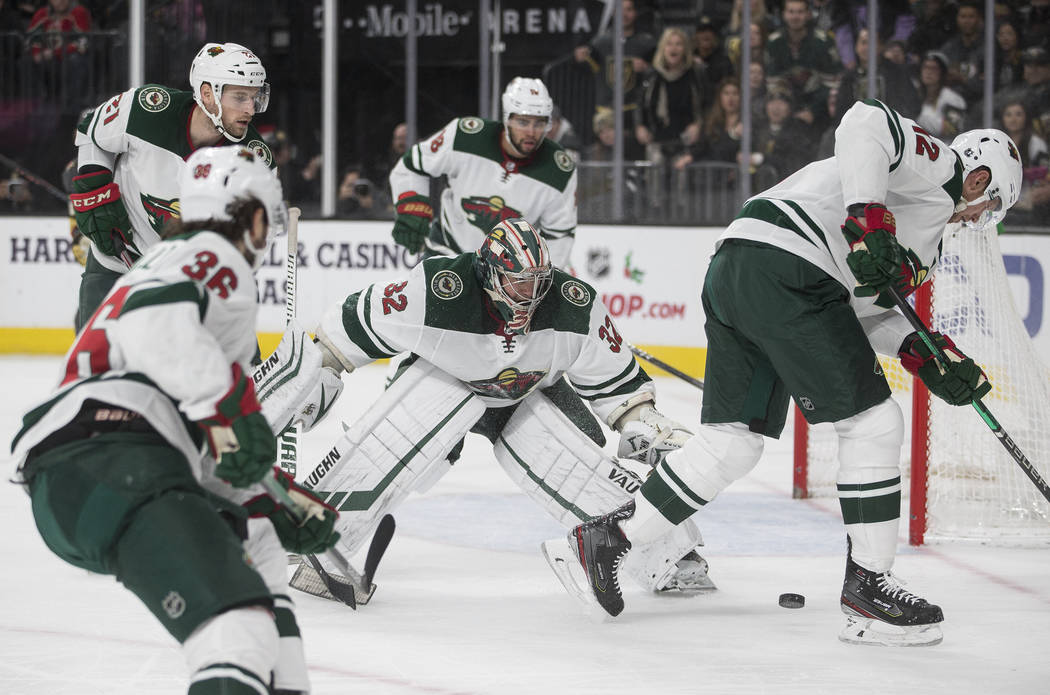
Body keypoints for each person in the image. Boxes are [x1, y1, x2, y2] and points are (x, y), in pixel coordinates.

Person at [557, 99, 1022, 648]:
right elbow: (865, 120)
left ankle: (607, 542)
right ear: (982, 180)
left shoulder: (928, 242)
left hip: (743, 268)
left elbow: (859, 318)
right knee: (873, 424)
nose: (978, 221)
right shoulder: (941, 170)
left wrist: (921, 351)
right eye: (988, 209)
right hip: (790, 267)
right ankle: (869, 589)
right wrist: (868, 216)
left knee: (733, 443)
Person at [11, 146, 339, 693]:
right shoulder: (216, 253)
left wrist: (271, 495)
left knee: (254, 543)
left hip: (91, 467)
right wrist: (232, 409)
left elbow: (206, 447)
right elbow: (154, 325)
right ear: (253, 212)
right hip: (113, 455)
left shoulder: (167, 258)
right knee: (235, 632)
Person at [289, 217, 714, 600]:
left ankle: (669, 557)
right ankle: (314, 537)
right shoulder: (439, 290)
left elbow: (619, 385)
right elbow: (354, 321)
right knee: (391, 441)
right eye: (518, 282)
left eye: (538, 281)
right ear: (490, 273)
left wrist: (641, 424)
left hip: (525, 391)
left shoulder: (574, 304)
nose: (531, 295)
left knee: (579, 463)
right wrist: (318, 369)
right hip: (445, 381)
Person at [70, 41, 274, 331]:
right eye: (240, 97)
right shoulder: (146, 109)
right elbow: (92, 132)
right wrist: (94, 187)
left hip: (185, 285)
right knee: (96, 367)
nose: (251, 109)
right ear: (208, 94)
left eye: (255, 97)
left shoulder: (253, 161)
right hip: (115, 263)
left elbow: (249, 244)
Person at [388, 77, 578, 267]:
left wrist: (542, 279)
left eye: (539, 124)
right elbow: (412, 165)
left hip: (508, 275)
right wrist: (412, 208)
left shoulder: (559, 171)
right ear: (506, 119)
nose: (531, 132)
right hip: (446, 255)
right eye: (523, 122)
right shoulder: (465, 137)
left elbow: (559, 236)